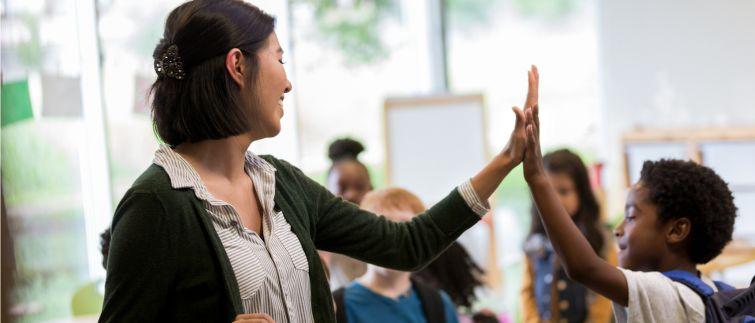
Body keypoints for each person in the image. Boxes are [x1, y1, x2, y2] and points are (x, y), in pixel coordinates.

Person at [99, 0, 541, 321]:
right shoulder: (156, 204)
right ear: (237, 65)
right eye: (279, 58)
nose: (288, 82)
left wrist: (505, 159)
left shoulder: (281, 183)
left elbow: (407, 245)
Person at [521, 104, 738, 323]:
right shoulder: (706, 290)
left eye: (631, 217)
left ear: (676, 230)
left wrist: (537, 177)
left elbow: (584, 269)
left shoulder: (667, 293)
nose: (618, 229)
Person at [334, 188, 459, 323]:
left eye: (404, 226)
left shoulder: (438, 304)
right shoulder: (336, 306)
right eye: (384, 227)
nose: (394, 240)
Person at [520, 149, 615, 323]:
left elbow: (606, 297)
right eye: (548, 192)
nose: (555, 200)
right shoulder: (534, 243)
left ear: (582, 193)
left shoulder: (601, 239)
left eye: (563, 191)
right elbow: (527, 293)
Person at [322, 138, 371, 289]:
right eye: (342, 187)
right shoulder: (318, 235)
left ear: (371, 189)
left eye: (359, 187)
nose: (351, 194)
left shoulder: (383, 230)